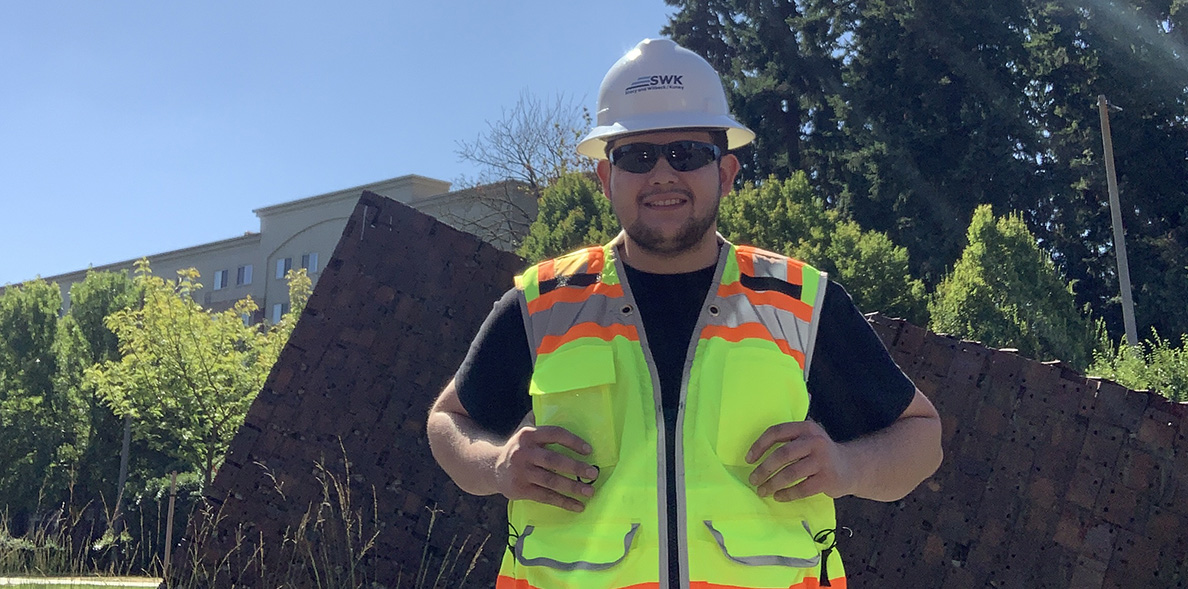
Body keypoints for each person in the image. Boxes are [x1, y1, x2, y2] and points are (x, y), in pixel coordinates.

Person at [427, 38, 942, 589]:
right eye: (637, 156)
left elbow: (921, 439)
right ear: (606, 179)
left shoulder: (801, 302)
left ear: (725, 173)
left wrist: (847, 467)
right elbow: (447, 422)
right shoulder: (543, 303)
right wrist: (496, 465)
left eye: (688, 154)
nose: (663, 175)